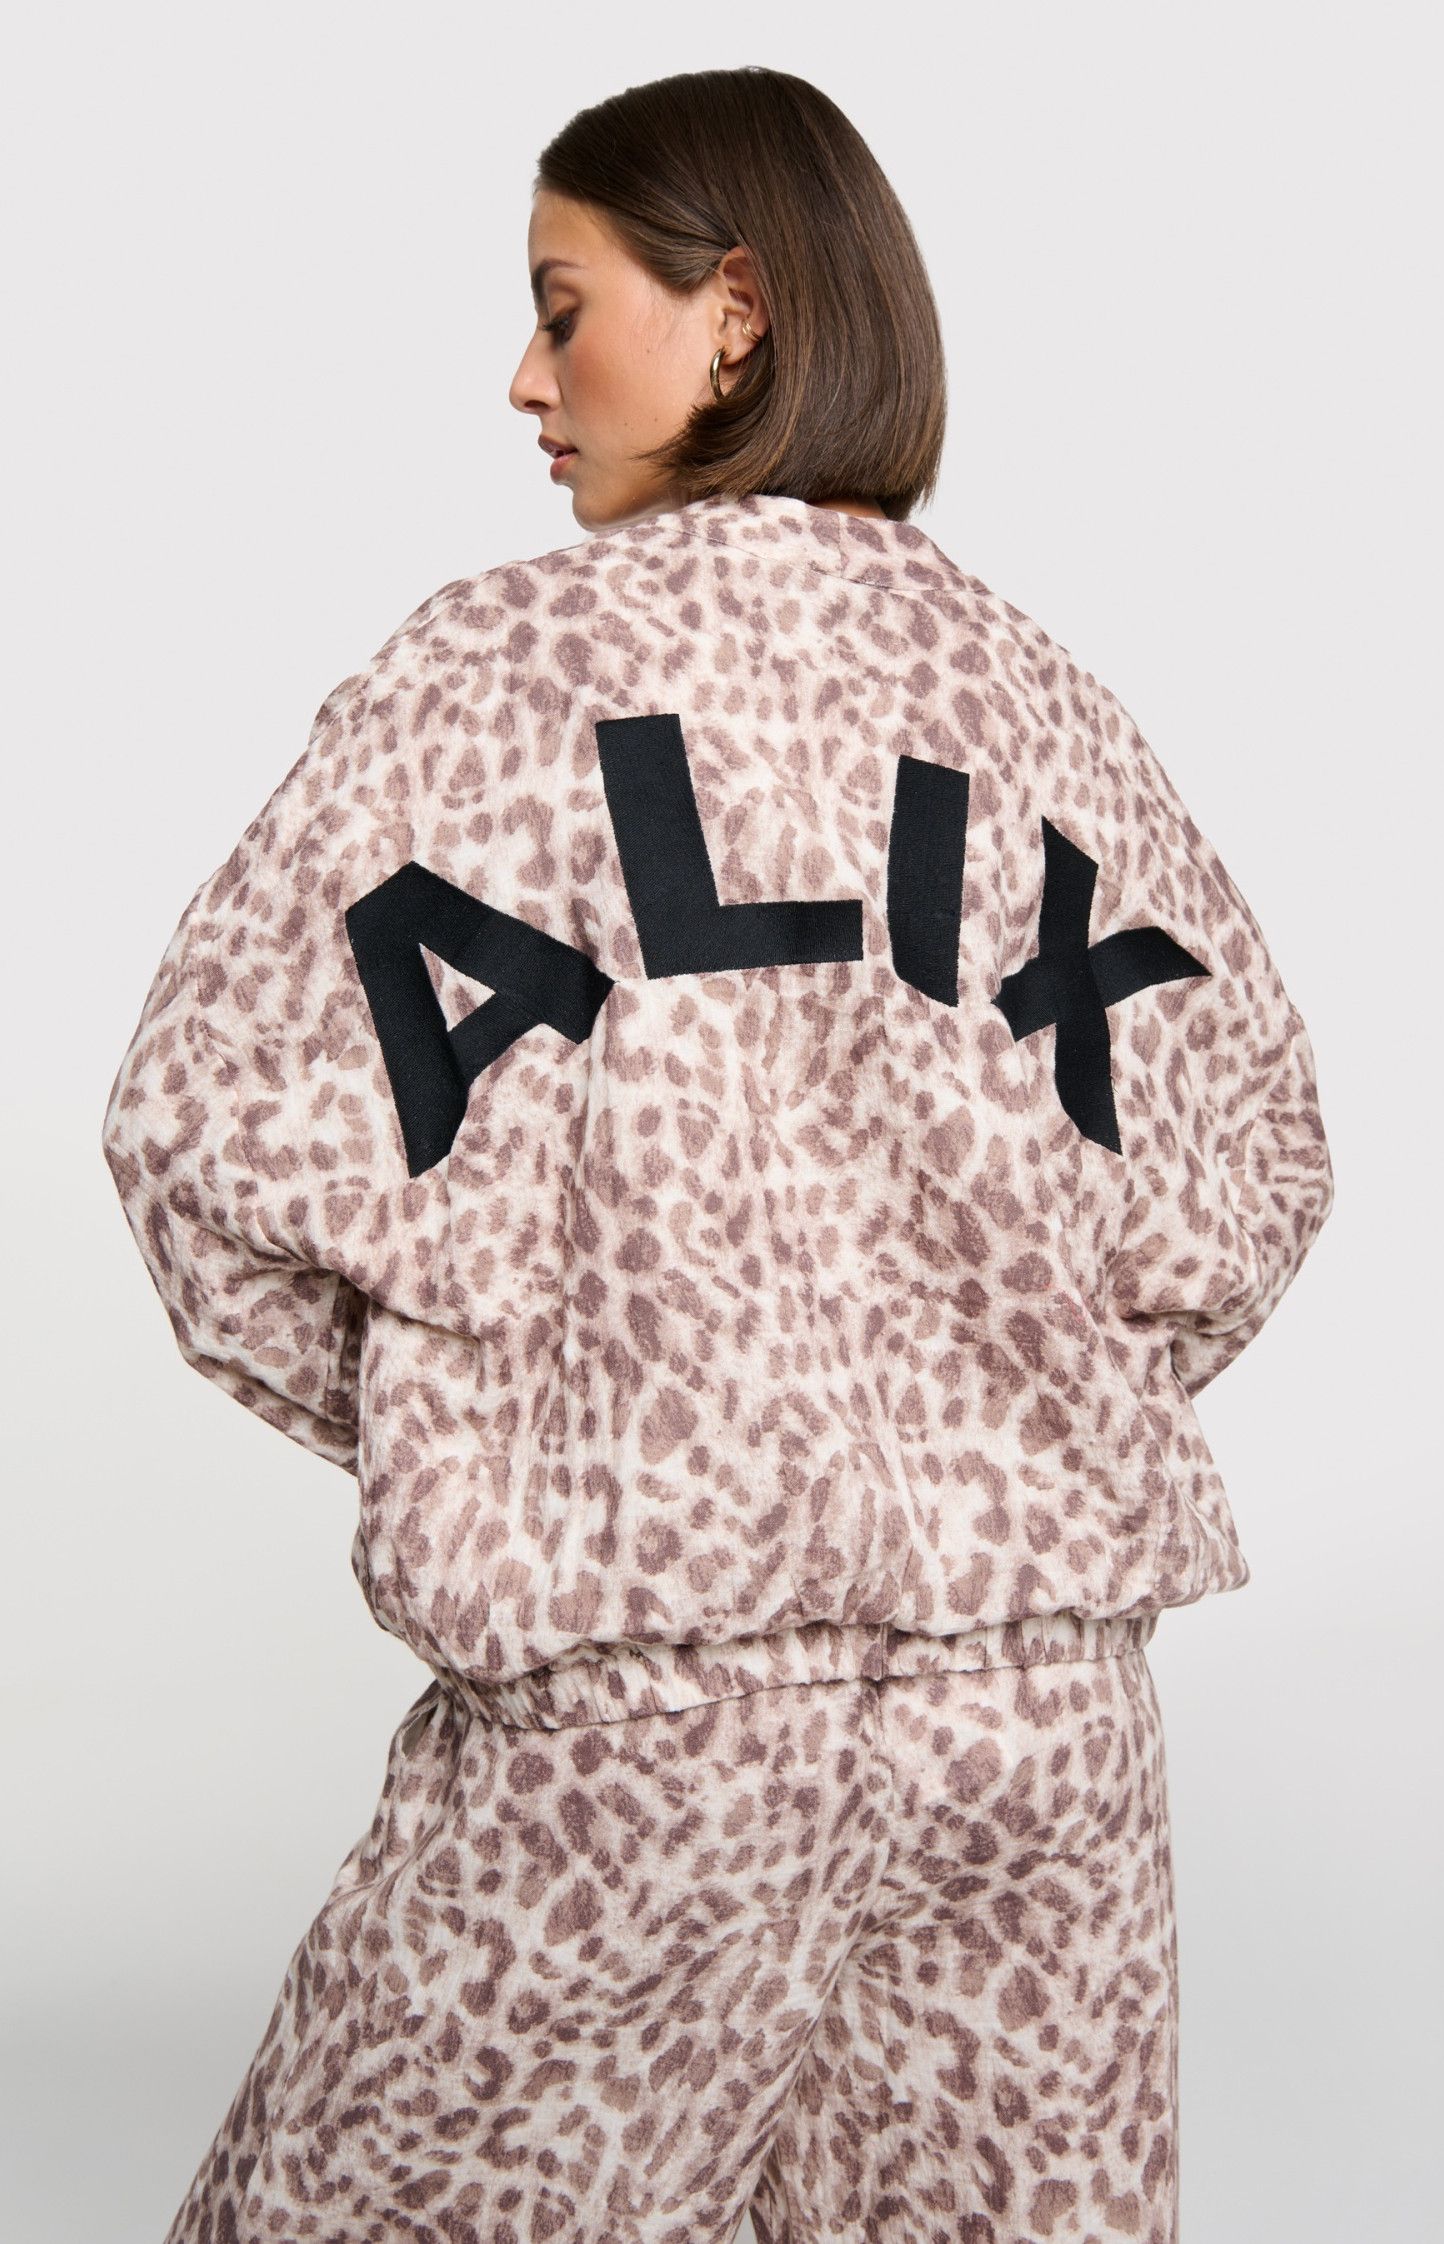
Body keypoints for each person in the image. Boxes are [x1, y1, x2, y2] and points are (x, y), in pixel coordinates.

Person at [100, 64, 1334, 2244]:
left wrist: (503, 1419)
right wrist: (1009, 1408)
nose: (524, 376)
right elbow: (1248, 1170)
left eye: (562, 307)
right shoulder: (1035, 706)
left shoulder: (498, 677)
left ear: (736, 313)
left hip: (639, 1733)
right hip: (1036, 1727)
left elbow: (210, 1136)